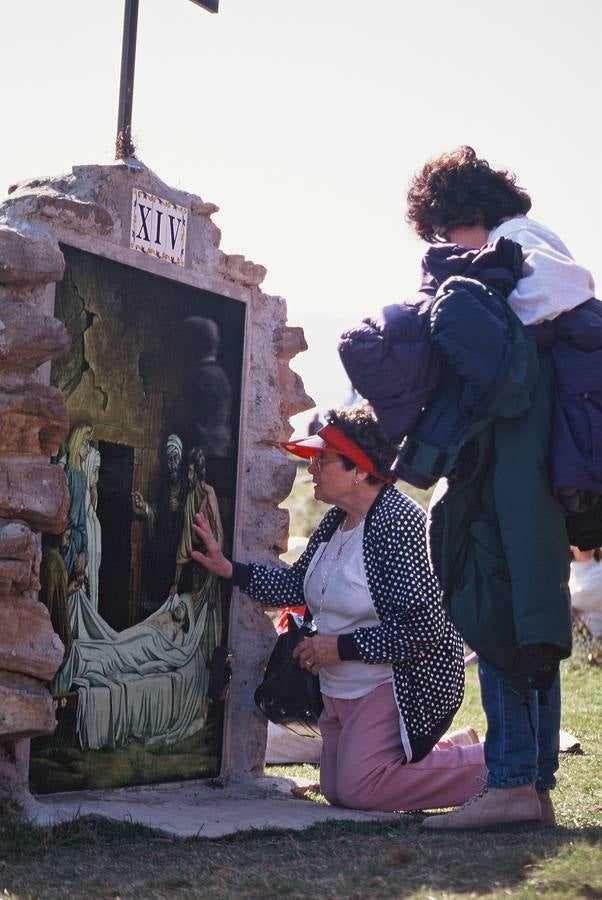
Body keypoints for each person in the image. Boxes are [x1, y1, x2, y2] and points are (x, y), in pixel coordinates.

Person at [399, 146, 597, 831]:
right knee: (531, 618)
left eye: (444, 233)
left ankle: (511, 782)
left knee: (497, 607)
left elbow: (565, 288)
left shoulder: (517, 248)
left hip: (511, 472)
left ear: (468, 215)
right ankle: (532, 785)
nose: (444, 248)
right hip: (531, 470)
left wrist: (484, 299)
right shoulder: (521, 251)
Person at [190, 404, 485, 813]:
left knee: (360, 790)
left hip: (394, 686)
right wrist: (229, 568)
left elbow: (423, 628)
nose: (311, 468)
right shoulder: (335, 521)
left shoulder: (400, 523)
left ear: (359, 471)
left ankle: (498, 769)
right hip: (339, 688)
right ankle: (458, 754)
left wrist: (340, 648)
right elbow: (296, 584)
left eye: (321, 459)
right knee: (336, 790)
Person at [132, 433, 188, 611]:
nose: (172, 464)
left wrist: (179, 508)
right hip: (163, 549)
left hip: (180, 548)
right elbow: (157, 513)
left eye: (175, 459)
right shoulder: (164, 484)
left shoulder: (187, 485)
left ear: (180, 460)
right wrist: (146, 508)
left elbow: (195, 516)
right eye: (170, 460)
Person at [570, 547, 602, 640]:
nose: (587, 547)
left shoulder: (599, 572)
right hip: (574, 637)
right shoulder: (567, 571)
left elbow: (574, 602)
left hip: (595, 640)